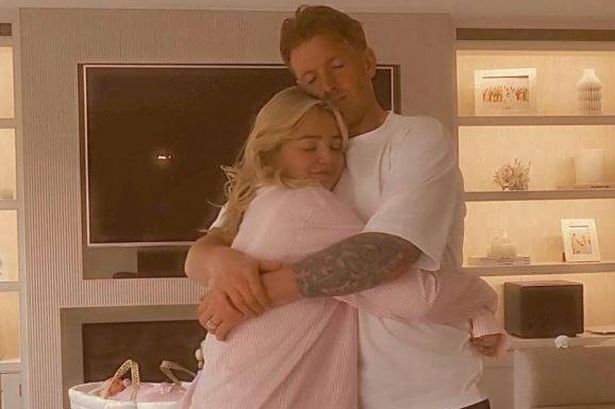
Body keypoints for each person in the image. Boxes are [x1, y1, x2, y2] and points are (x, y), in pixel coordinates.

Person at [185, 5, 506, 409]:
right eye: (310, 78)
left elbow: (385, 253)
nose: (327, 85)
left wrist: (256, 294)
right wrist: (221, 265)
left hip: (432, 392)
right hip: (344, 394)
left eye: (337, 66)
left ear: (368, 62)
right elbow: (206, 250)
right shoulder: (293, 170)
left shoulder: (415, 140)